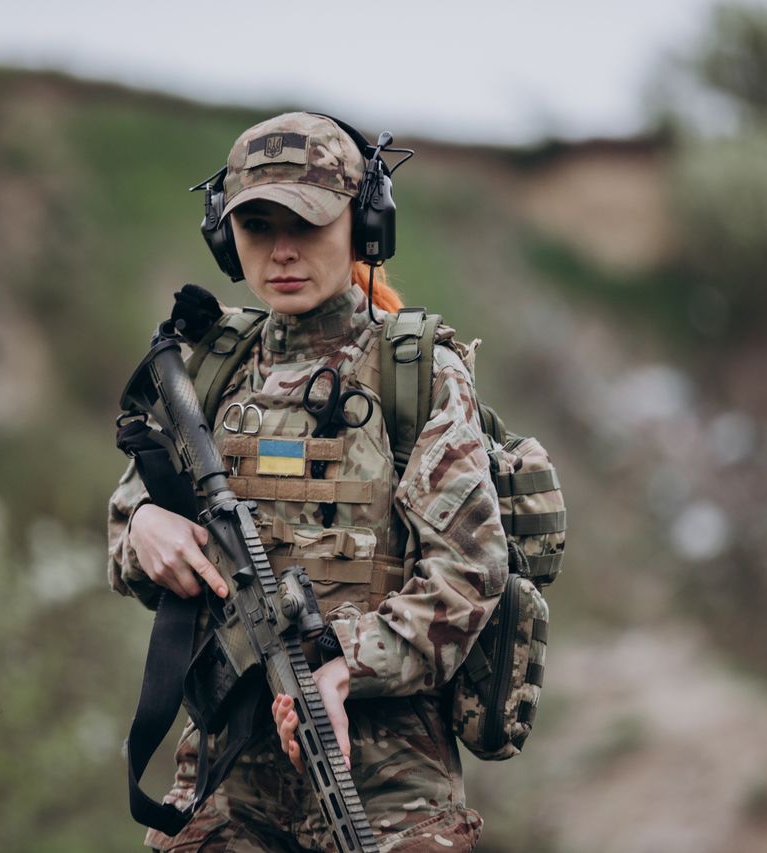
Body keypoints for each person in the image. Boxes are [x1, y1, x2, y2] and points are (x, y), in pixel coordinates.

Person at [107, 112, 508, 852]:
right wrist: (142, 528)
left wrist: (341, 663)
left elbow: (469, 575)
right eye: (258, 226)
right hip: (225, 776)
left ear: (364, 225)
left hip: (386, 778)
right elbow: (129, 516)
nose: (283, 251)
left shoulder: (414, 373)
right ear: (227, 239)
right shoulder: (211, 368)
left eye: (307, 223)